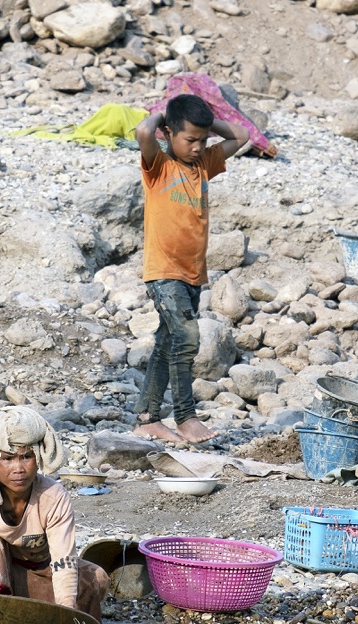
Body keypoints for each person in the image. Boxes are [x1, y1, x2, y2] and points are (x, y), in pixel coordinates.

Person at [131, 94, 251, 444]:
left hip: (192, 274)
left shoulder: (204, 164)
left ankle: (147, 418)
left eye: (203, 141)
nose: (198, 147)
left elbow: (241, 136)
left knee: (167, 344)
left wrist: (204, 123)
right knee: (186, 338)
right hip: (164, 271)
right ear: (169, 135)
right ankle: (185, 416)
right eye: (190, 140)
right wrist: (165, 118)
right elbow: (142, 132)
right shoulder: (159, 168)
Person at [0, 406, 109, 622]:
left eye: (26, 457)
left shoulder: (53, 497)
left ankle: (34, 615)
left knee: (97, 578)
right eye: (7, 459)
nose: (18, 468)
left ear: (38, 459)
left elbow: (64, 562)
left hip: (32, 575)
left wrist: (66, 614)